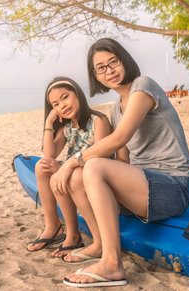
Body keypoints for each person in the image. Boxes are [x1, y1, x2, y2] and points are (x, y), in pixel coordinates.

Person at [49, 39, 189, 287]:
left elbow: (119, 139)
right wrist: (91, 182)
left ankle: (112, 263)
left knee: (89, 165)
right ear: (95, 75)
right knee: (79, 175)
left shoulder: (143, 86)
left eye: (113, 62)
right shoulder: (116, 109)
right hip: (141, 186)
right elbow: (123, 160)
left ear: (124, 59)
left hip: (174, 186)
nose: (109, 71)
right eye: (101, 68)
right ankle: (99, 244)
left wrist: (73, 160)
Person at [27, 76, 112, 259]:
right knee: (42, 166)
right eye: (55, 104)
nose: (62, 106)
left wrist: (62, 168)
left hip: (94, 179)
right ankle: (54, 226)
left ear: (78, 94)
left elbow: (100, 158)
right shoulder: (67, 127)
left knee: (63, 173)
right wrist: (49, 123)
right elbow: (50, 154)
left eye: (65, 97)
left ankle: (73, 235)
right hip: (73, 175)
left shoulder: (98, 121)